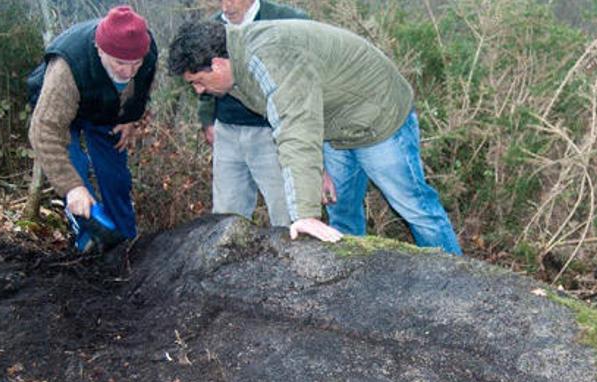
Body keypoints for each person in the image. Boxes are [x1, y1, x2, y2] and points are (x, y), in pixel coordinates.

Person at [167, 19, 462, 255]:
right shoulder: (237, 63)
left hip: (379, 119)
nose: (199, 91)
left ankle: (456, 283)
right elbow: (286, 117)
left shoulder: (268, 58)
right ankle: (351, 286)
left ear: (217, 64)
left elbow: (295, 125)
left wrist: (305, 214)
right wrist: (317, 168)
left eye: (198, 82)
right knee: (343, 215)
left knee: (415, 208)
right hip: (334, 126)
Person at [28, 6, 157, 251]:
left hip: (104, 109)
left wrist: (130, 118)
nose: (128, 71)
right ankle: (87, 241)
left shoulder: (146, 51)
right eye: (120, 63)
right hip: (60, 114)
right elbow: (44, 131)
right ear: (100, 50)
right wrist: (72, 187)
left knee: (115, 178)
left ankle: (126, 244)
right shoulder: (67, 66)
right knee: (75, 177)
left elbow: (141, 88)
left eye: (135, 63)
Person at [197, 0, 308, 227]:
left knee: (287, 211)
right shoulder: (211, 28)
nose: (227, 6)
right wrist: (207, 120)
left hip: (272, 132)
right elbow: (201, 80)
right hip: (227, 130)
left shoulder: (286, 20)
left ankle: (292, 261)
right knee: (225, 216)